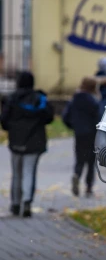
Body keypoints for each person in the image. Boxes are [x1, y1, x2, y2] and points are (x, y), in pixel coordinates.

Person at [1, 71, 54, 218]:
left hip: (16, 140)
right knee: (29, 172)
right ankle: (27, 202)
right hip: (35, 140)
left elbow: (4, 120)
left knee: (16, 173)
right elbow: (49, 118)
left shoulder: (12, 99)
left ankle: (15, 203)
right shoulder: (39, 99)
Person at [62, 76, 100, 197]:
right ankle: (89, 187)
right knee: (91, 161)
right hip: (92, 134)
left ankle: (77, 175)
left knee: (79, 159)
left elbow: (65, 116)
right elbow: (99, 117)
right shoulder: (93, 101)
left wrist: (73, 126)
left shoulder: (74, 99)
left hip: (79, 133)